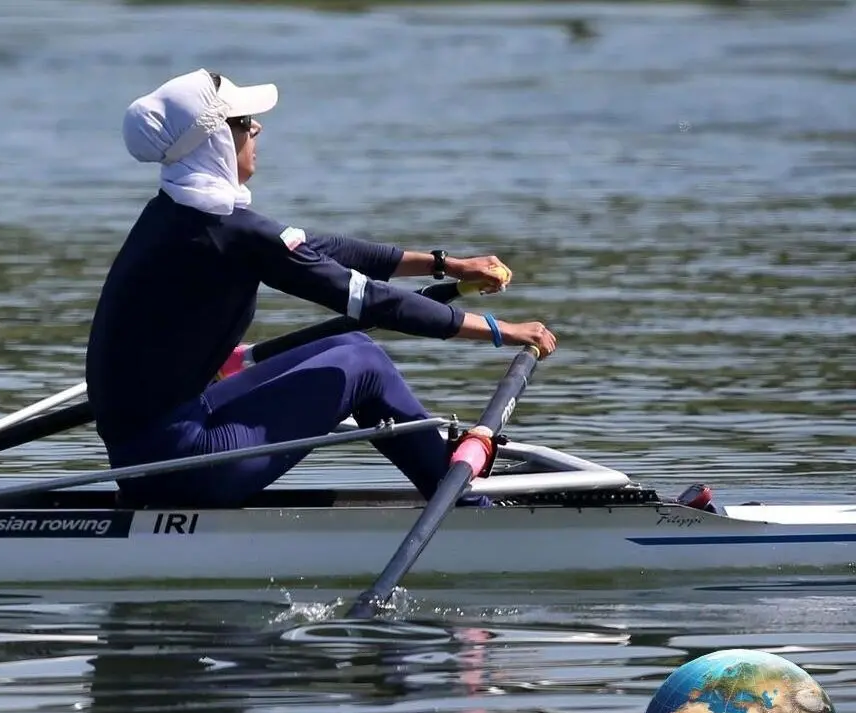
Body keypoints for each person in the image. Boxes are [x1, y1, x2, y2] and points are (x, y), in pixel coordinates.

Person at [85, 68, 557, 508]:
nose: (257, 129)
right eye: (244, 122)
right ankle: (466, 508)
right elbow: (370, 301)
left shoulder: (177, 214)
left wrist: (444, 264)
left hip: (156, 450)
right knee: (365, 365)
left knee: (353, 345)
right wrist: (502, 330)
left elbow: (319, 248)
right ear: (214, 140)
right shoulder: (227, 233)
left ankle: (449, 487)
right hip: (180, 467)